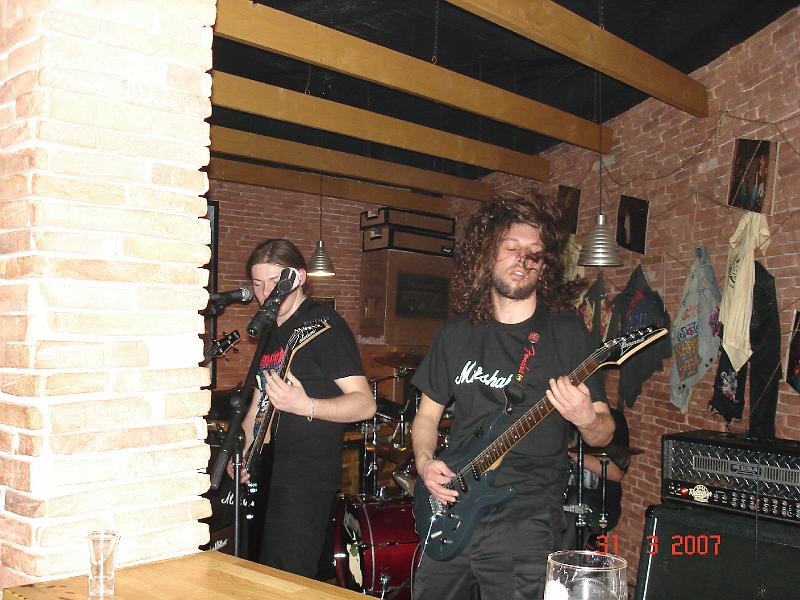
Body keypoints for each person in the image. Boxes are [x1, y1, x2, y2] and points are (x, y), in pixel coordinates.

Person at [410, 193, 614, 600]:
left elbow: (603, 433)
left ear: (545, 265)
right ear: (487, 254)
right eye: (512, 247)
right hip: (454, 501)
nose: (523, 260)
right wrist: (425, 462)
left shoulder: (567, 333)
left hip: (526, 513)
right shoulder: (456, 334)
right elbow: (426, 418)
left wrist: (585, 417)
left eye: (534, 253)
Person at [229, 238, 375, 579]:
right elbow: (258, 403)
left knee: (290, 578)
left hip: (306, 477)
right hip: (269, 471)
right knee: (262, 574)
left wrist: (305, 404)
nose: (266, 293)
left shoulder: (325, 326)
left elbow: (365, 404)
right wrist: (243, 454)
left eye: (274, 282)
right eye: (258, 284)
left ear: (299, 278)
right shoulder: (270, 330)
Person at [564, 406, 630, 550]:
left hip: (598, 503)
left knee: (575, 501)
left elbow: (616, 473)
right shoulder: (559, 419)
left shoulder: (613, 420)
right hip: (559, 499)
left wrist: (572, 454)